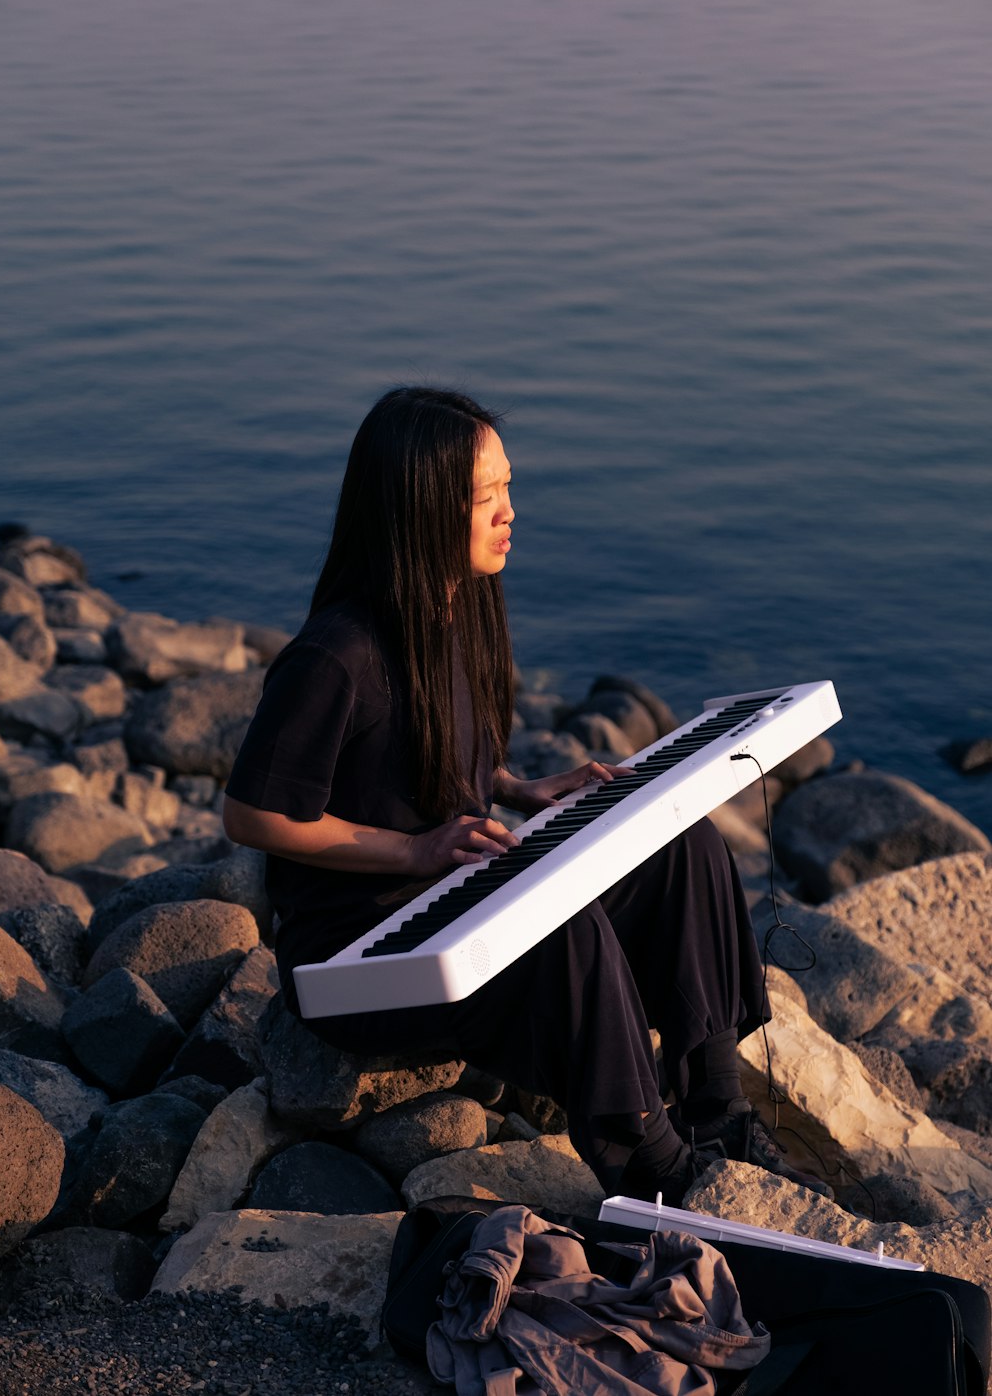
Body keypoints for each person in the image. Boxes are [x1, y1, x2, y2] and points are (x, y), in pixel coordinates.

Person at [223, 386, 827, 1204]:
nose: (511, 512)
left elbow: (427, 751)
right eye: (486, 496)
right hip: (362, 949)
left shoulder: (458, 608)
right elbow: (252, 814)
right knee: (560, 930)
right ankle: (657, 1172)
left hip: (454, 897)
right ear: (421, 507)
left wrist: (515, 785)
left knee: (680, 846)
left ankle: (716, 1107)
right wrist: (411, 850)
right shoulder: (339, 654)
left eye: (508, 486)